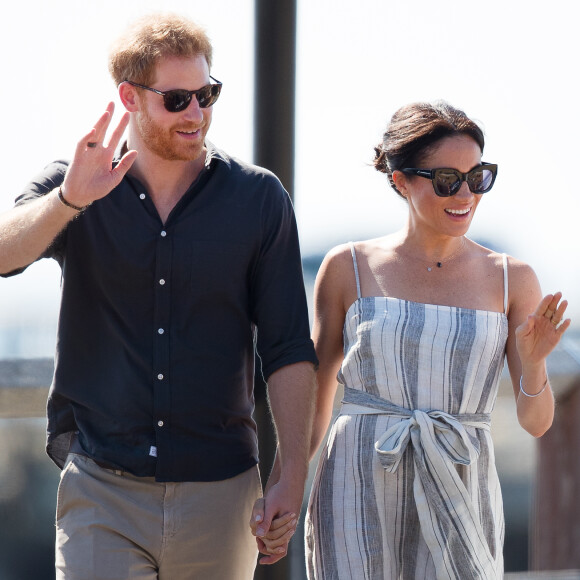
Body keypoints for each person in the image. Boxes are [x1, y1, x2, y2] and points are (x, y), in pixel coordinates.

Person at [0, 12, 316, 580]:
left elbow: (288, 345)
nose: (196, 113)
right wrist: (69, 200)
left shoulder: (259, 199)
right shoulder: (73, 182)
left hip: (222, 497)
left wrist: (290, 471)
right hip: (103, 489)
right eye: (177, 100)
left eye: (207, 94)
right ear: (131, 97)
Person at [303, 101, 571, 579]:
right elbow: (315, 396)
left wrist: (533, 365)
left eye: (479, 176)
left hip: (462, 482)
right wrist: (283, 486)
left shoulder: (512, 279)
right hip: (357, 480)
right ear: (400, 179)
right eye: (448, 179)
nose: (465, 193)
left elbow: (536, 423)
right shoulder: (348, 268)